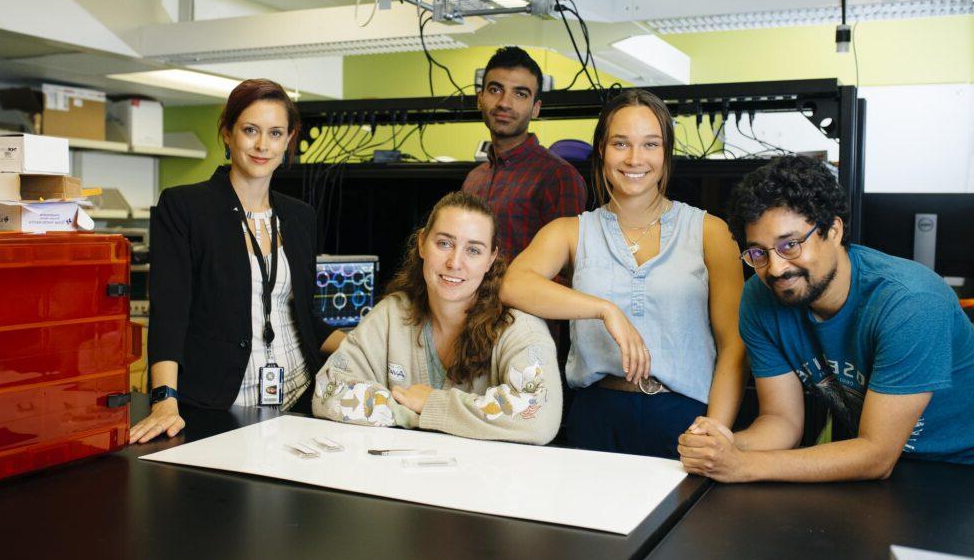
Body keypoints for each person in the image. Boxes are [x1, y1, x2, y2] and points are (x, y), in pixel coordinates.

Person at [679, 156, 974, 481]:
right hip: (871, 466)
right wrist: (724, 444)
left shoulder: (910, 303)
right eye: (759, 253)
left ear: (833, 230)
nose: (776, 268)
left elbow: (877, 455)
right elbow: (781, 421)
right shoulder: (760, 298)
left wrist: (742, 465)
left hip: (959, 467)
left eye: (790, 245)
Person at [501, 89, 747, 458]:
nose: (635, 158)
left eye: (650, 144)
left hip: (685, 417)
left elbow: (734, 347)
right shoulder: (570, 231)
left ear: (666, 153)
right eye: (621, 143)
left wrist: (717, 428)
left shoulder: (711, 232)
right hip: (596, 414)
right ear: (601, 149)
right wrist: (604, 310)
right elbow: (513, 285)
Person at [130, 78, 345, 444]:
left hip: (298, 399)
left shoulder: (300, 216)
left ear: (289, 139)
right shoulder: (185, 208)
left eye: (276, 133)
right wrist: (164, 399)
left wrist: (374, 348)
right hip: (219, 404)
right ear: (228, 134)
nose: (263, 145)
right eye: (250, 130)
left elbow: (303, 317)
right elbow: (170, 314)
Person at [312, 192, 562, 445]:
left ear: (490, 260)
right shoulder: (391, 314)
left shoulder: (519, 327)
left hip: (486, 479)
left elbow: (539, 419)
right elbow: (327, 392)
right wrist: (415, 413)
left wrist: (431, 403)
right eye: (444, 243)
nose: (455, 262)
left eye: (473, 250)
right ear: (422, 243)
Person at [462, 46, 587, 262]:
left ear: (536, 108)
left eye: (520, 94)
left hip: (519, 297)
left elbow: (567, 271)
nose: (504, 103)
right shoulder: (474, 179)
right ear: (480, 98)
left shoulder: (558, 177)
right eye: (495, 90)